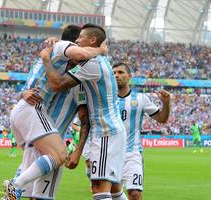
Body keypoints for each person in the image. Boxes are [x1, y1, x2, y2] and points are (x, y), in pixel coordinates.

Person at [3, 24, 106, 200]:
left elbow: (82, 114)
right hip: (35, 116)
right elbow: (79, 57)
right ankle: (15, 185)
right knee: (59, 155)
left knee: (22, 194)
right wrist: (102, 50)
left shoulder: (70, 68)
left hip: (37, 128)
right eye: (78, 39)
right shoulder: (61, 49)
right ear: (74, 42)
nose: (79, 42)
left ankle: (14, 189)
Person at [41, 23, 126, 200]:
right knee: (114, 190)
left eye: (80, 38)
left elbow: (57, 84)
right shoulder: (97, 61)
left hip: (106, 132)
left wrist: (47, 58)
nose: (76, 41)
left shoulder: (92, 65)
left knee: (99, 188)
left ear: (92, 40)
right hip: (109, 131)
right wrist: (58, 44)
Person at [111, 62, 171, 200]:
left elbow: (162, 119)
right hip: (111, 153)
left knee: (135, 194)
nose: (116, 75)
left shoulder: (141, 99)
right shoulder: (107, 99)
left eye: (120, 72)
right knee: (112, 193)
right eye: (114, 73)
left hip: (133, 154)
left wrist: (166, 103)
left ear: (129, 76)